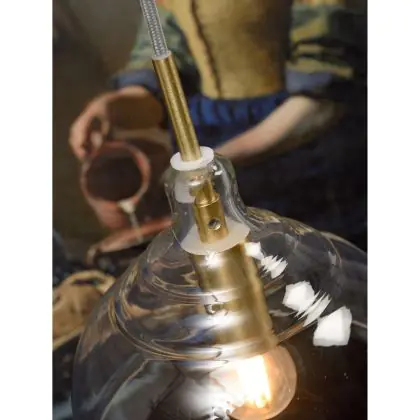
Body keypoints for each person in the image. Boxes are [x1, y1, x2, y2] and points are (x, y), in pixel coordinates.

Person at [69, 0, 367, 250]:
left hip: (302, 148)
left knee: (322, 265)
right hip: (210, 140)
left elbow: (324, 99)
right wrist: (114, 107)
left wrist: (213, 164)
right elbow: (165, 66)